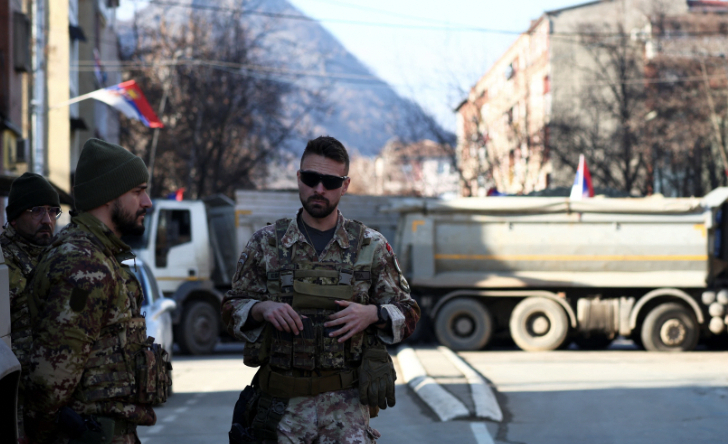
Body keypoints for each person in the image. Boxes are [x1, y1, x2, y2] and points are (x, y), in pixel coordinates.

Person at [222, 136, 420, 444]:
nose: (319, 189)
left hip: (346, 413)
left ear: (345, 185)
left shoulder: (371, 246)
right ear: (298, 178)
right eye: (311, 178)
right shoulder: (266, 243)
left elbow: (409, 313)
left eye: (330, 181)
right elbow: (229, 309)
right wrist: (261, 309)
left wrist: (373, 314)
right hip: (281, 412)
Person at [24, 139, 171, 444]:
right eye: (138, 191)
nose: (147, 202)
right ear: (108, 196)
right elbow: (50, 381)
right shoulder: (84, 265)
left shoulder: (99, 256)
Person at [2, 172, 61, 443]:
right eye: (36, 211)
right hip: (15, 410)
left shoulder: (57, 259)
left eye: (52, 211)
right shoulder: (4, 264)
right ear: (14, 217)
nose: (47, 220)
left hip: (51, 407)